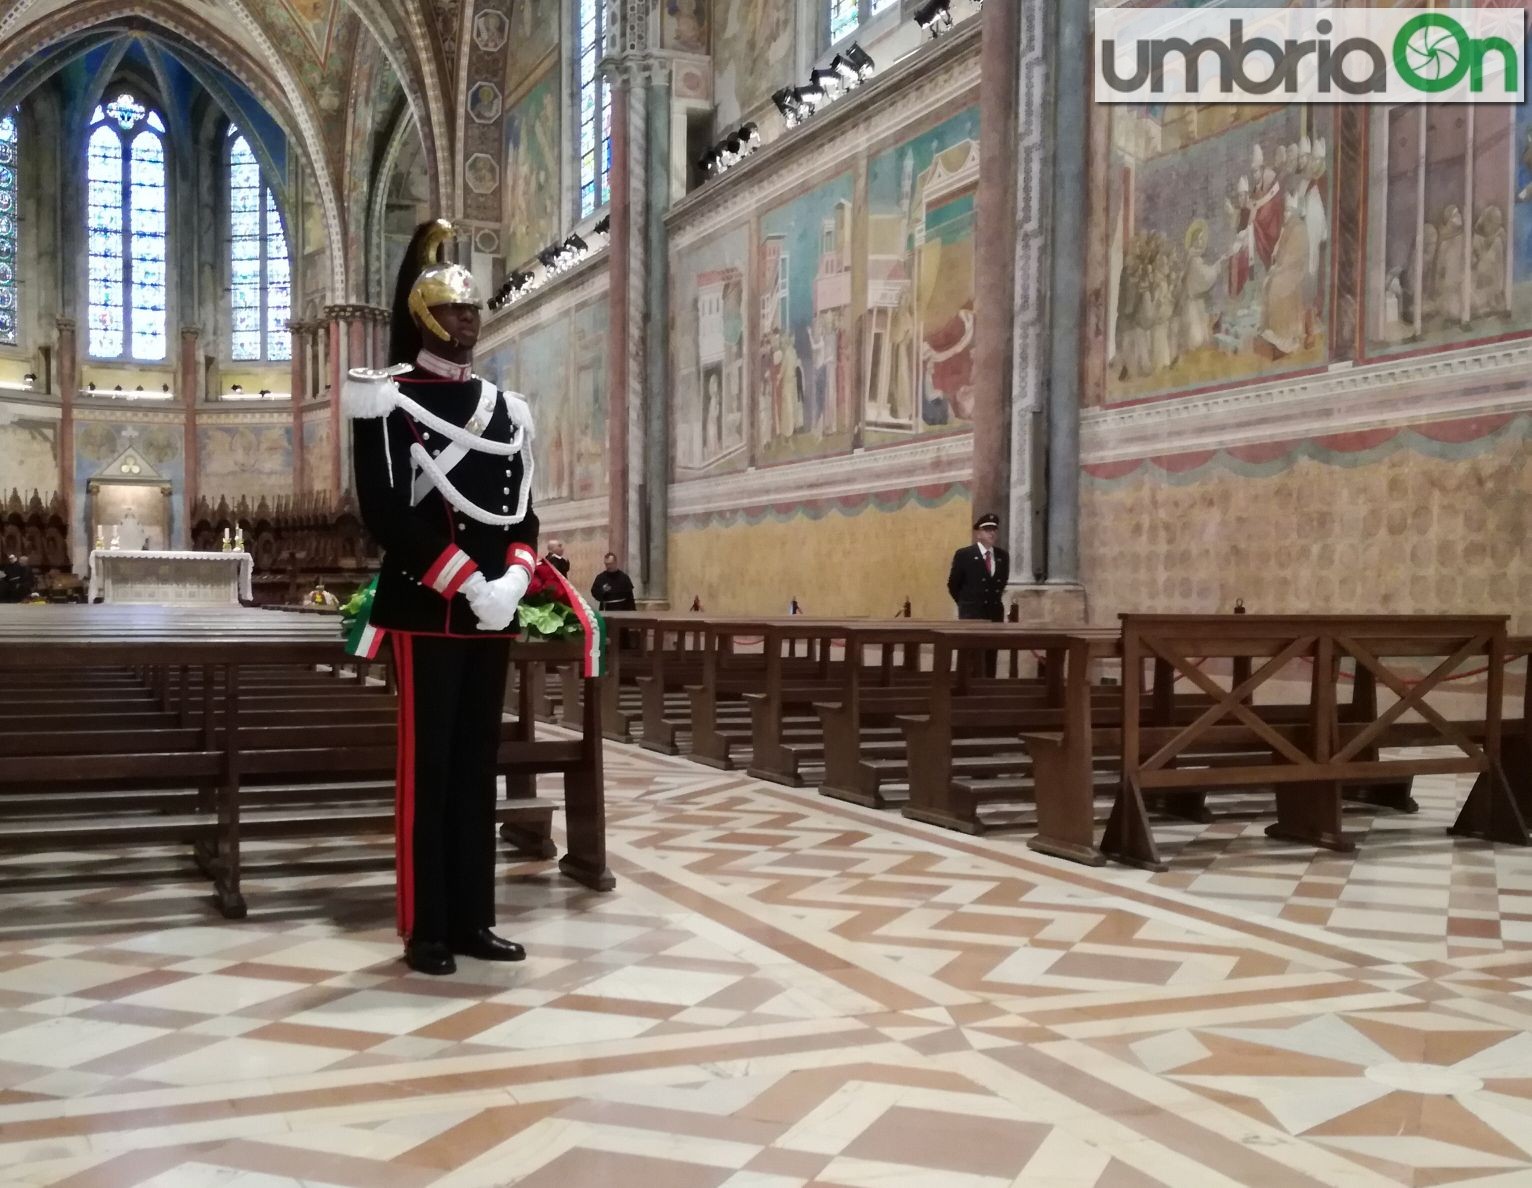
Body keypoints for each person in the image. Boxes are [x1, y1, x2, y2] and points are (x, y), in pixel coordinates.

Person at [345, 218, 538, 977]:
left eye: (473, 311)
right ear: (424, 316)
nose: (468, 322)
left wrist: (515, 580)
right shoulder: (383, 399)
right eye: (454, 311)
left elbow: (523, 508)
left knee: (476, 767)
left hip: (493, 612)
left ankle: (474, 918)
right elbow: (386, 513)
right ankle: (427, 926)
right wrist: (468, 581)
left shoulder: (505, 407)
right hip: (430, 608)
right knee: (428, 774)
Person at [947, 513, 1009, 677]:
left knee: (990, 656)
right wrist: (966, 604)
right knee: (971, 656)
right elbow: (953, 584)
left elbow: (1001, 584)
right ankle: (967, 691)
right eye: (987, 529)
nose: (992, 533)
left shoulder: (1003, 556)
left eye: (994, 529)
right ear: (978, 533)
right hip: (972, 614)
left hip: (994, 613)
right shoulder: (964, 555)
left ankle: (988, 690)